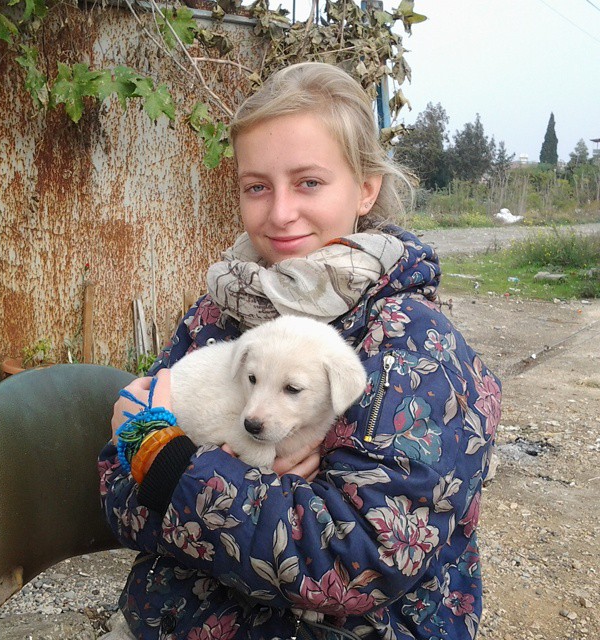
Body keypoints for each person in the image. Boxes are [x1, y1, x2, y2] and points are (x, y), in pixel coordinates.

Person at [98, 61, 501, 640]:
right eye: (256, 186)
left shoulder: (418, 347)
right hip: (176, 619)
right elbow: (116, 487)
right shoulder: (220, 314)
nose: (280, 212)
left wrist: (172, 466)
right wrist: (234, 477)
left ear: (366, 188)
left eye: (308, 182)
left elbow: (358, 565)